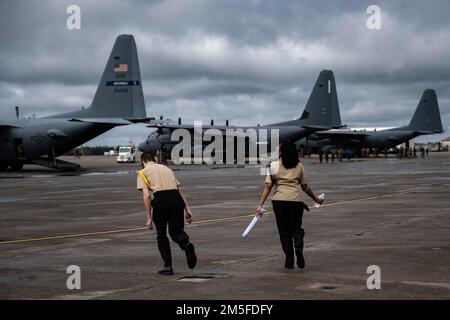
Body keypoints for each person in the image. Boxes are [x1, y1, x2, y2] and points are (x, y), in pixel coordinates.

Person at [256, 141, 324, 269]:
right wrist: (316, 199)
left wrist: (260, 205)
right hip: (296, 201)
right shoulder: (299, 166)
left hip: (279, 202)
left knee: (283, 232)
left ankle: (289, 258)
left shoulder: (273, 165)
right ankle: (298, 246)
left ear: (281, 152)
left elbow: (268, 186)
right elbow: (305, 187)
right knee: (296, 228)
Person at [137, 152, 197, 275]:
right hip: (176, 199)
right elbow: (179, 191)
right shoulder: (167, 169)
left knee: (161, 234)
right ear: (154, 158)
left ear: (142, 161)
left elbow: (147, 195)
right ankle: (186, 245)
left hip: (160, 200)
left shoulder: (142, 172)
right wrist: (187, 209)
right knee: (176, 230)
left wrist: (149, 218)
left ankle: (168, 266)